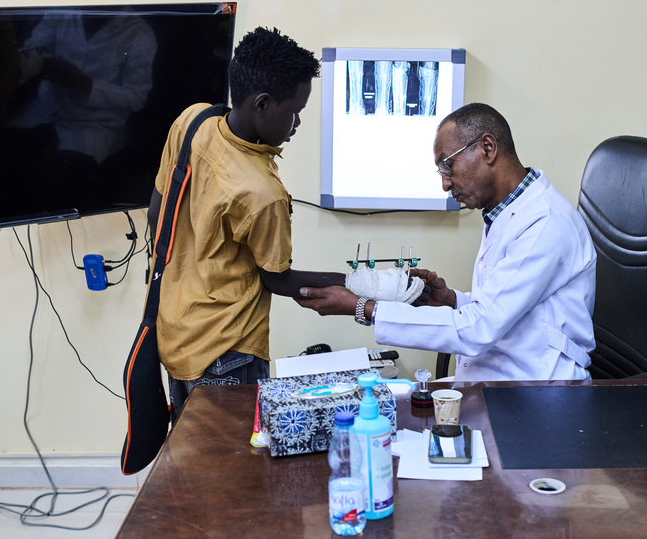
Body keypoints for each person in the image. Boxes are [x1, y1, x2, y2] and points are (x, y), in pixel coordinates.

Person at [296, 103, 596, 382]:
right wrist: (453, 301)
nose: (445, 184)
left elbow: (479, 328)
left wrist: (364, 308)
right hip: (502, 380)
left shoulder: (545, 222)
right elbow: (509, 307)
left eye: (447, 166)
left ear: (487, 148)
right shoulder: (506, 211)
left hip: (538, 391)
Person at [147, 27, 345, 422]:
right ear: (263, 104)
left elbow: (157, 212)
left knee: (193, 459)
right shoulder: (261, 192)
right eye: (295, 111)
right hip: (227, 353)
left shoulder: (193, 121)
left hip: (175, 335)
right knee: (233, 472)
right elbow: (278, 279)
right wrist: (356, 283)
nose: (298, 123)